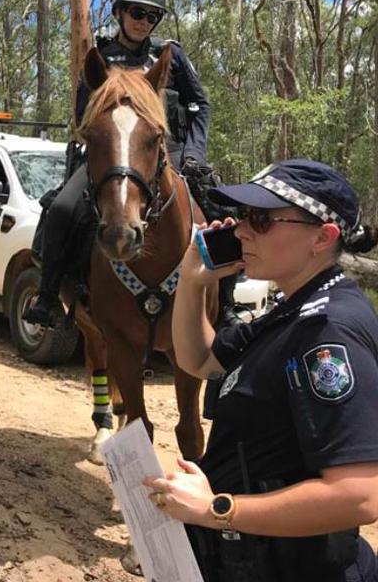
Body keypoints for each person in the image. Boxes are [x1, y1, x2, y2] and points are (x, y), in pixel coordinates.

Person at [144, 159, 378, 582]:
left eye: (262, 220)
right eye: (244, 217)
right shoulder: (291, 308)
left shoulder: (328, 332)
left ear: (322, 238)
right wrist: (193, 281)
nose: (239, 231)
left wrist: (215, 510)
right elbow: (198, 358)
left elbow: (359, 496)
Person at [24, 0, 211, 326]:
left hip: (166, 153)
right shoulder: (101, 54)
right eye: (137, 12)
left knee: (219, 211)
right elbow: (82, 111)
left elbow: (199, 104)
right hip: (108, 155)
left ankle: (226, 306)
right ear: (120, 12)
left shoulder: (170, 55)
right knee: (63, 209)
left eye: (152, 16)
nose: (143, 21)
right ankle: (48, 296)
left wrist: (194, 155)